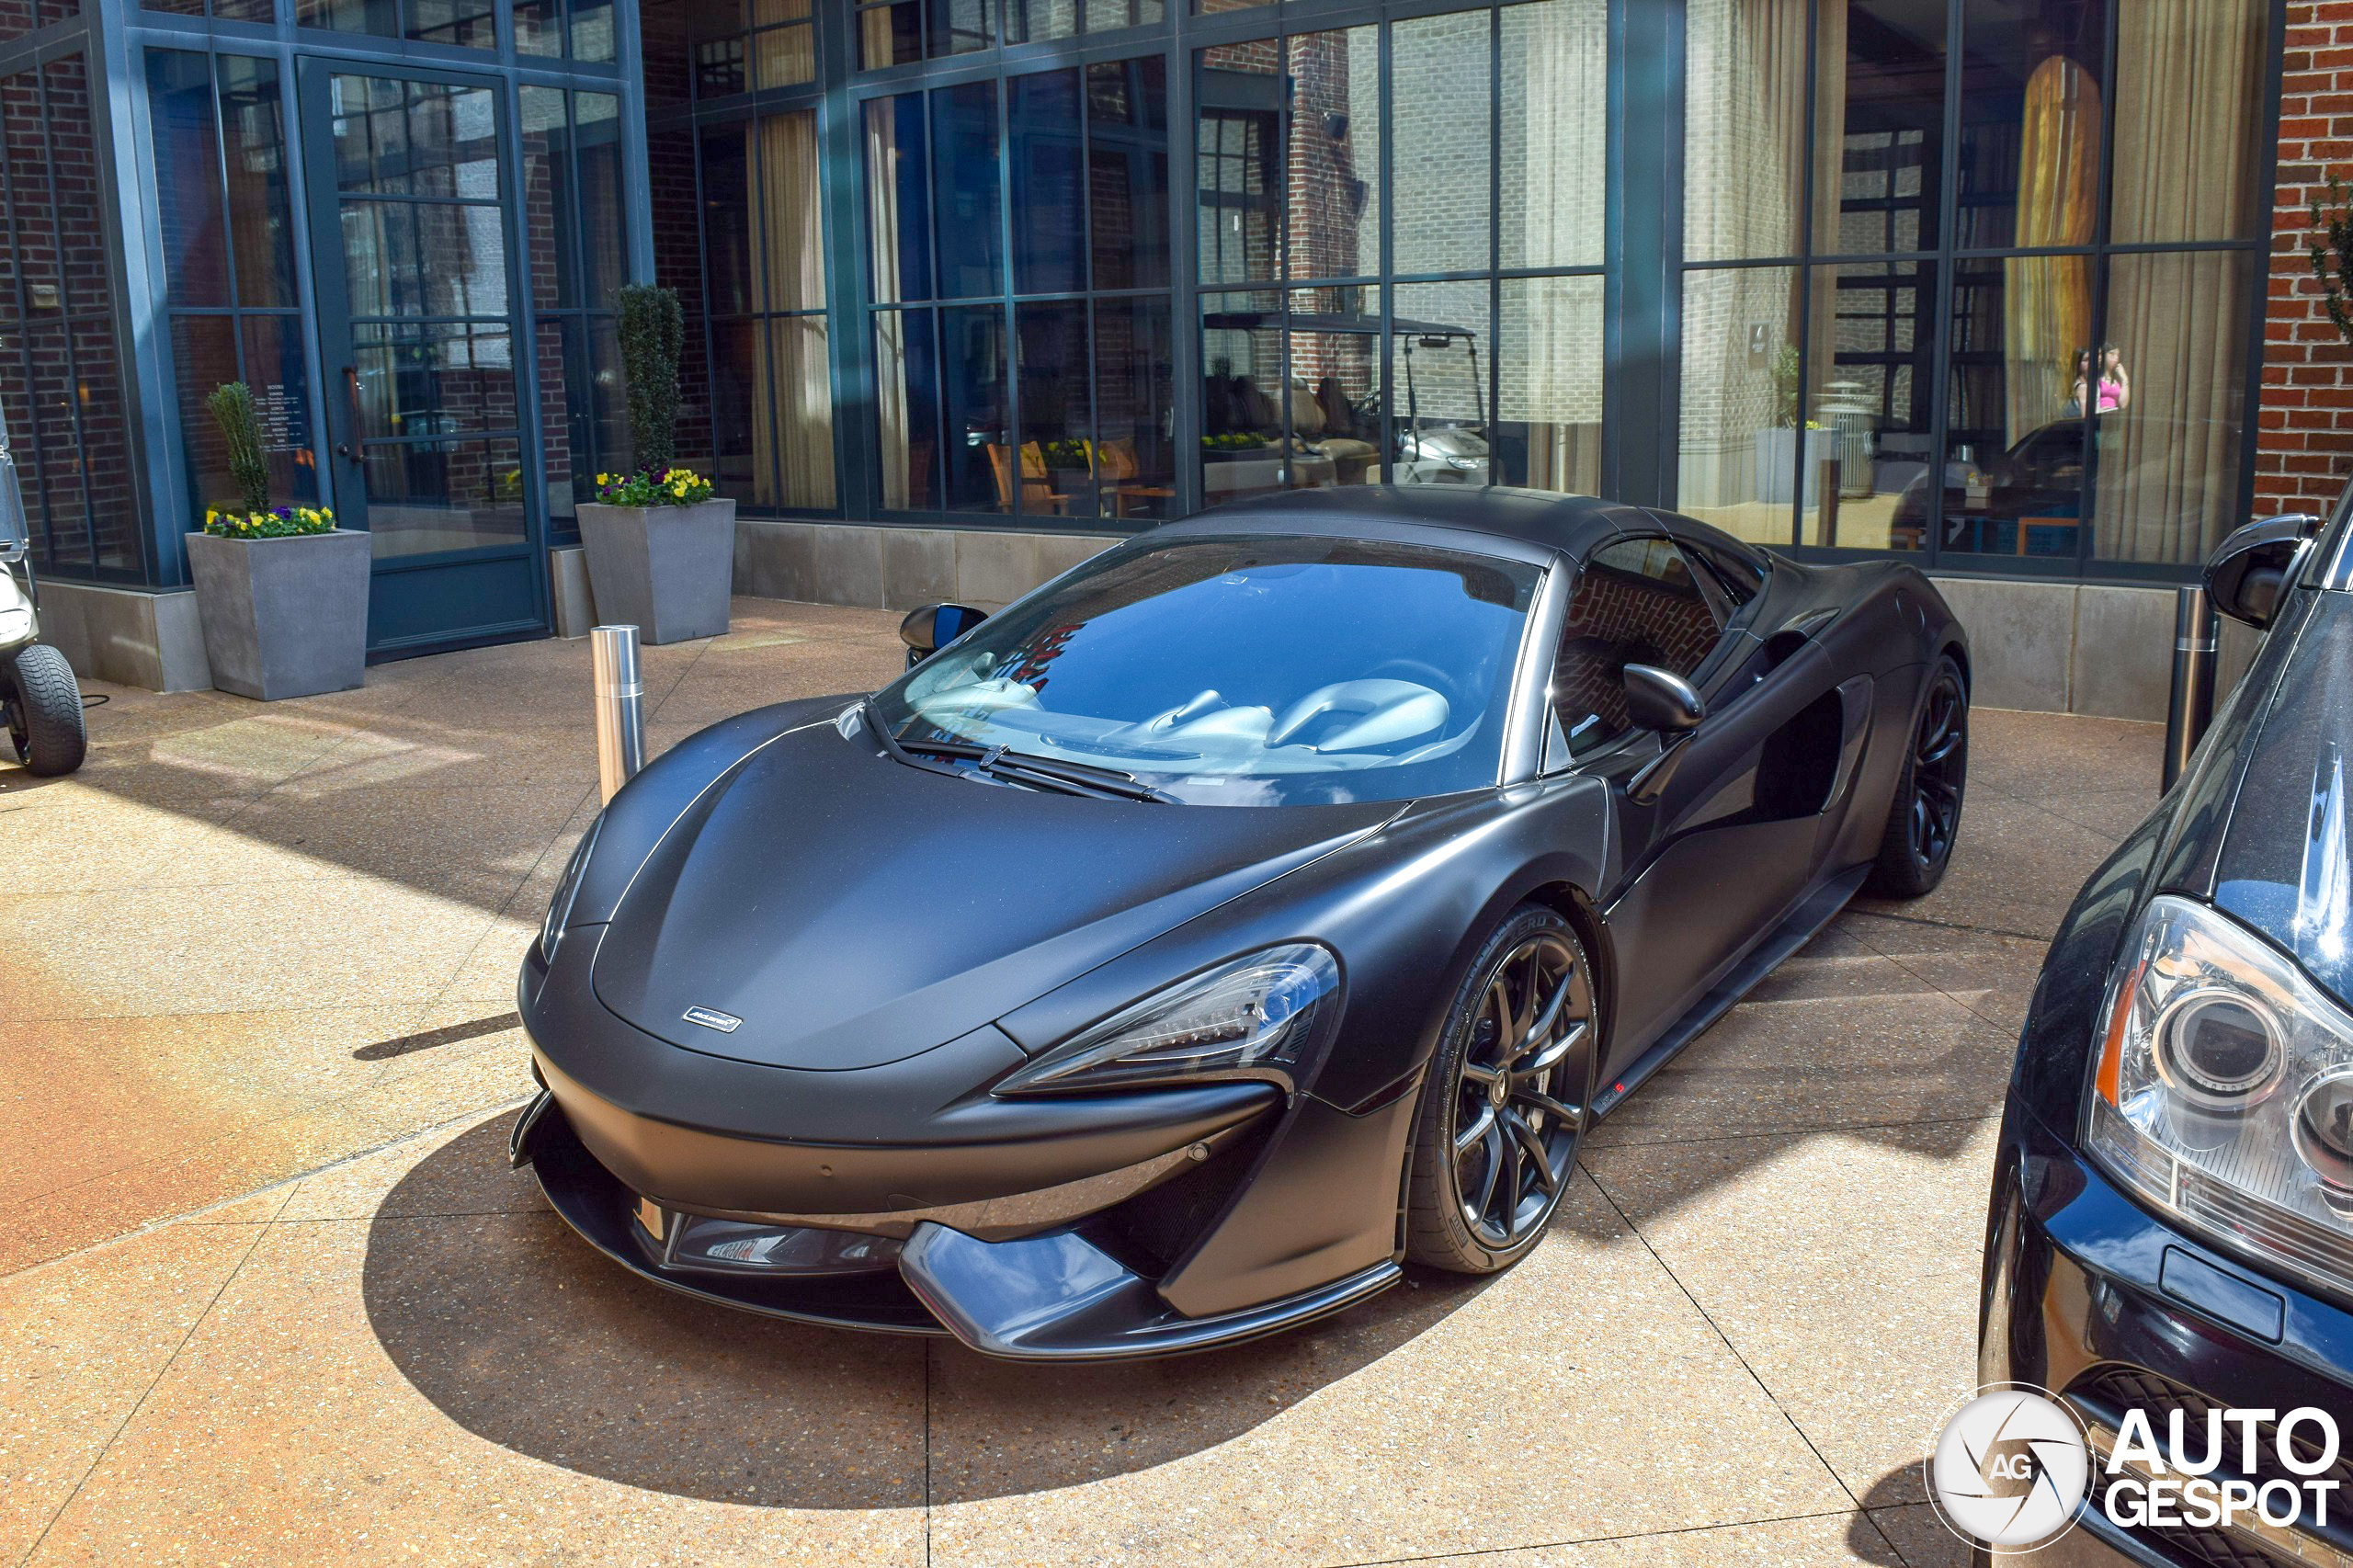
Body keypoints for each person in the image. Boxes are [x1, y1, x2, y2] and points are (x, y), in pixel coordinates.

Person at [2071, 343, 2130, 415]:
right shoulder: (2084, 387)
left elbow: (2123, 404)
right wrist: (2100, 412)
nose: (2116, 358)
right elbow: (2086, 417)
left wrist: (2124, 379)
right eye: (2086, 360)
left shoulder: (2090, 382)